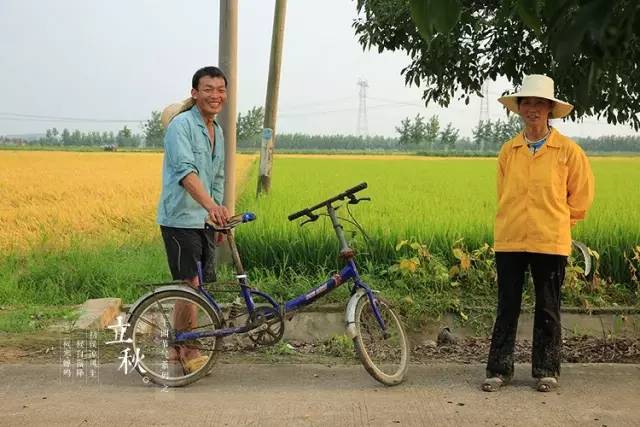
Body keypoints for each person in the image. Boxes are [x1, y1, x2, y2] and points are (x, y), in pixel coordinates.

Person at [482, 74, 595, 392]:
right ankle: (498, 370)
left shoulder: (568, 152)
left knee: (548, 306)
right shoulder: (510, 151)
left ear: (549, 109)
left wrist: (557, 223)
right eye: (526, 103)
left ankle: (546, 370)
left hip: (550, 241)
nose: (532, 108)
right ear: (519, 109)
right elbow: (504, 193)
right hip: (511, 237)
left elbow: (581, 198)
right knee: (507, 305)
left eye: (539, 103)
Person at [157, 66, 230, 373]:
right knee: (192, 284)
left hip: (202, 219)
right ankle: (190, 349)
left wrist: (218, 215)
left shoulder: (217, 131)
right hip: (179, 218)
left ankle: (177, 349)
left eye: (221, 90)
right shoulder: (180, 127)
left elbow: (217, 176)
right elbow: (186, 174)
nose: (216, 95)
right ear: (195, 93)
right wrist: (211, 206)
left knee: (193, 287)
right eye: (209, 89)